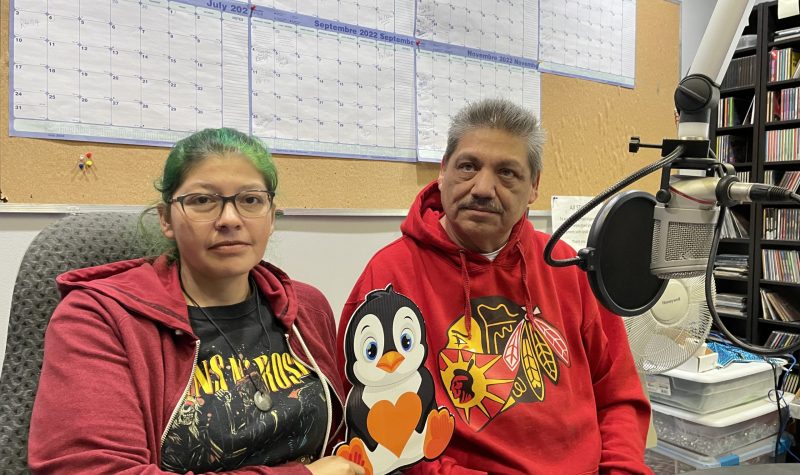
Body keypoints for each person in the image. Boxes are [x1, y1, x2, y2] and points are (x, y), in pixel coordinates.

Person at [337, 99, 652, 474]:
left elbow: (619, 394)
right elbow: (379, 436)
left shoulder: (567, 265)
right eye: (468, 167)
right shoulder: (389, 279)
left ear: (533, 186)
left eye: (507, 173)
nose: (483, 188)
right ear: (442, 171)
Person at [29, 128, 364, 475]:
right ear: (166, 219)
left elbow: (342, 443)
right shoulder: (97, 319)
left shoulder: (306, 308)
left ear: (271, 215)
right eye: (203, 200)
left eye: (250, 200)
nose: (230, 220)